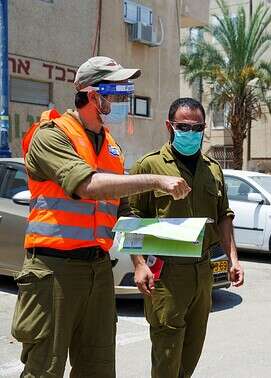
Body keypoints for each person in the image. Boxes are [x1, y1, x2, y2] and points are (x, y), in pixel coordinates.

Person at [12, 56, 190, 377]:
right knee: (44, 370)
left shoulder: (112, 148)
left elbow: (123, 212)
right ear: (93, 95)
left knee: (98, 370)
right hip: (53, 271)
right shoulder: (51, 135)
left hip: (98, 269)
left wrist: (138, 264)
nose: (124, 99)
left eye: (126, 90)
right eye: (118, 91)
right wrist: (155, 180)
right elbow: (88, 185)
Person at [128, 97, 244, 377]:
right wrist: (139, 263)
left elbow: (223, 217)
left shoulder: (212, 169)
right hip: (166, 273)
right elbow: (132, 218)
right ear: (169, 126)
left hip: (202, 272)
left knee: (191, 352)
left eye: (197, 127)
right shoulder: (149, 166)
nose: (191, 133)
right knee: (167, 357)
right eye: (184, 127)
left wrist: (233, 259)